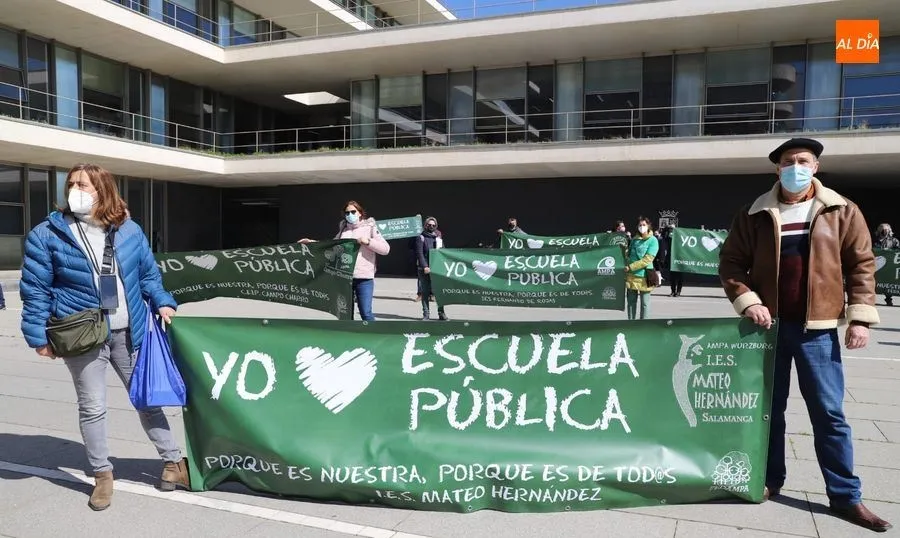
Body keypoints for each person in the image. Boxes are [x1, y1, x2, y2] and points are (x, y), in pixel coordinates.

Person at [719, 138, 890, 532]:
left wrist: (860, 318)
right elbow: (731, 263)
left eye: (803, 160)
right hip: (767, 331)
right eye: (787, 162)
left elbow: (861, 265)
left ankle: (846, 497)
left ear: (815, 167)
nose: (795, 166)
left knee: (830, 416)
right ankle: (769, 480)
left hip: (819, 332)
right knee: (768, 413)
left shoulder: (841, 210)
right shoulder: (754, 213)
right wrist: (749, 301)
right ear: (776, 170)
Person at [19, 163, 187, 512]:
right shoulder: (47, 234)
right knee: (92, 407)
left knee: (147, 399)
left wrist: (163, 303)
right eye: (72, 184)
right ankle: (102, 475)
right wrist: (38, 335)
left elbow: (148, 275)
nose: (76, 189)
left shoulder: (128, 229)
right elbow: (36, 290)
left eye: (84, 184)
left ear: (103, 190)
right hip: (82, 332)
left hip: (130, 330)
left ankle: (173, 463)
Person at [299, 200, 389, 321]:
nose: (350, 215)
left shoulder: (370, 228)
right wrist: (312, 243)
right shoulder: (343, 230)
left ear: (360, 213)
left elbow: (385, 249)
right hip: (344, 278)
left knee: (366, 313)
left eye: (353, 212)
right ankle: (349, 337)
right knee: (345, 314)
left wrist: (368, 242)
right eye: (347, 213)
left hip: (364, 278)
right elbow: (331, 246)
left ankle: (376, 337)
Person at [623, 216, 659, 320]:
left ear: (648, 226)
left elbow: (647, 259)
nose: (642, 227)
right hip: (631, 275)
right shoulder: (634, 239)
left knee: (645, 303)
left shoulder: (653, 240)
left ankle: (644, 325)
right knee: (631, 302)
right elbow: (629, 255)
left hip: (645, 275)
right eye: (640, 225)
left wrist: (630, 267)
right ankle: (631, 323)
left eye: (644, 225)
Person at [415, 216, 448, 321]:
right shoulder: (421, 237)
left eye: (433, 225)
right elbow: (419, 254)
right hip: (424, 269)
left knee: (438, 292)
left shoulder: (438, 237)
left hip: (436, 269)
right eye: (429, 225)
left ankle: (441, 313)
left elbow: (443, 252)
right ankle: (426, 314)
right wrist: (425, 266)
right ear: (426, 225)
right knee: (425, 292)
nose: (431, 226)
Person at [874, 223, 899, 306]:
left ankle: (888, 299)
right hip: (878, 264)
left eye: (886, 230)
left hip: (889, 265)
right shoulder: (875, 240)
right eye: (882, 230)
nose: (885, 231)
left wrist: (889, 251)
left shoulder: (894, 240)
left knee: (888, 281)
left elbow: (897, 250)